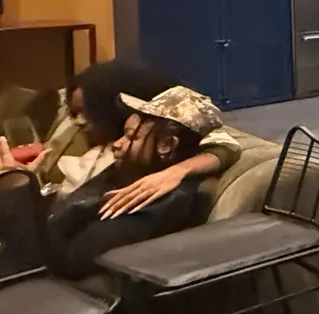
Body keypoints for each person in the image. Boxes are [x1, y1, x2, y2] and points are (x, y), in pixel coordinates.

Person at [38, 86, 222, 280]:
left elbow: (71, 259)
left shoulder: (160, 201)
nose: (117, 144)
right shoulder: (133, 170)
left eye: (131, 136)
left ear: (166, 145)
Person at [1, 60, 240, 205]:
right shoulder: (72, 132)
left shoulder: (142, 143)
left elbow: (226, 142)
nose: (79, 121)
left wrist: (177, 172)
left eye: (88, 112)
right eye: (74, 112)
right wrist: (22, 178)